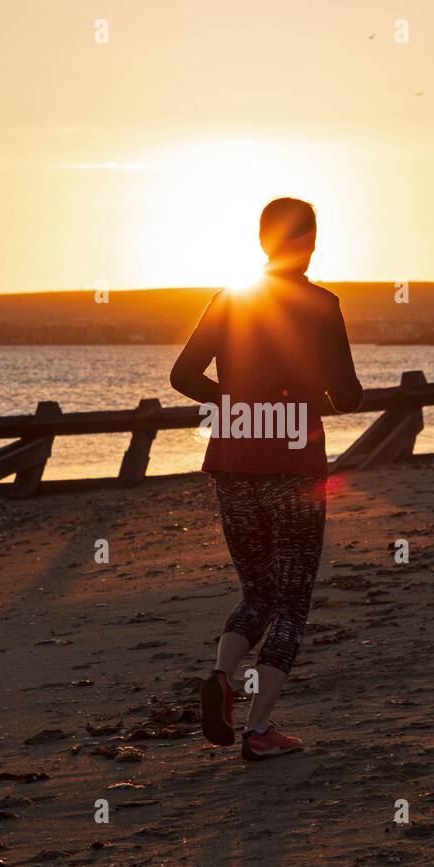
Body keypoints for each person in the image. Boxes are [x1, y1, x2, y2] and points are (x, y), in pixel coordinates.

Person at [170, 197, 363, 761]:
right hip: (294, 466)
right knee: (291, 601)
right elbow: (347, 394)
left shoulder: (230, 299)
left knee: (256, 591)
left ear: (261, 241)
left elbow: (183, 375)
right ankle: (258, 730)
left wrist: (231, 400)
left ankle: (222, 675)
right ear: (310, 241)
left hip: (232, 461)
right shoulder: (322, 305)